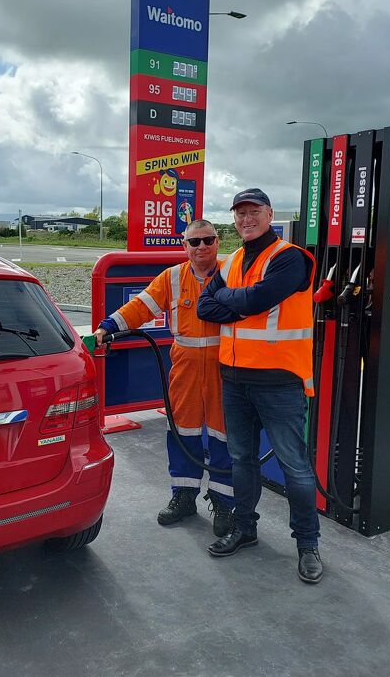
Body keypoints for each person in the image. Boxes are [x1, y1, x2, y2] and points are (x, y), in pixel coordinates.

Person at [197, 188, 323, 584]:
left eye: (253, 212)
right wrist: (242, 299)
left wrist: (232, 299)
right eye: (239, 214)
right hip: (234, 379)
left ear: (269, 214)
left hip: (279, 381)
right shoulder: (232, 259)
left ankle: (308, 544)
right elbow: (205, 306)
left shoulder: (289, 258)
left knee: (295, 467)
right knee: (242, 460)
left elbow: (260, 299)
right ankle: (245, 529)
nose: (245, 219)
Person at [94, 220, 235, 537]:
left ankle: (225, 504)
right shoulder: (172, 277)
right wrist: (107, 327)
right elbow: (140, 307)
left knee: (223, 435)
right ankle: (184, 497)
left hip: (223, 369)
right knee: (182, 431)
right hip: (184, 367)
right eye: (194, 242)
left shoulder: (232, 273)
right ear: (184, 246)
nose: (201, 247)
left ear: (218, 241)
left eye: (208, 240)